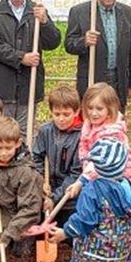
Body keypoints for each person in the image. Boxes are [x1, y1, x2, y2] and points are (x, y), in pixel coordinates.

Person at [48, 138, 131, 262]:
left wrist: (65, 232)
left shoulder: (93, 190)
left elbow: (84, 220)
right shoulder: (128, 187)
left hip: (93, 251)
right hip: (120, 250)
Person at [0, 0, 62, 139]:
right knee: (2, 135)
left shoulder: (37, 11)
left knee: (24, 135)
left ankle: (23, 165)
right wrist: (21, 58)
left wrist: (45, 22)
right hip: (2, 86)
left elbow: (53, 42)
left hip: (28, 86)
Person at [65, 0, 131, 112]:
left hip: (118, 81)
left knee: (115, 124)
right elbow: (69, 44)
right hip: (92, 79)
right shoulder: (80, 12)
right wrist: (83, 41)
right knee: (92, 123)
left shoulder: (128, 13)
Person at [0, 117, 43, 257]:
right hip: (1, 213)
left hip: (23, 218)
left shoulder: (26, 172)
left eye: (8, 148)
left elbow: (30, 208)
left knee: (20, 254)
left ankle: (25, 237)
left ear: (18, 143)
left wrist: (8, 234)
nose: (3, 153)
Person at [68, 83, 131, 195]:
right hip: (95, 176)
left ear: (110, 109)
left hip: (117, 180)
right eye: (90, 108)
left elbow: (100, 162)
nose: (93, 113)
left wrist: (80, 182)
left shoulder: (112, 133)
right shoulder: (89, 125)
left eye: (99, 109)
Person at [32, 86, 83, 226]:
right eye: (57, 114)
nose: (61, 119)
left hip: (69, 197)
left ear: (76, 112)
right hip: (46, 192)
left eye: (66, 114)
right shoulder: (45, 131)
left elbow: (75, 174)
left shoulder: (81, 136)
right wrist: (41, 181)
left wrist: (54, 198)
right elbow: (36, 158)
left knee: (69, 231)